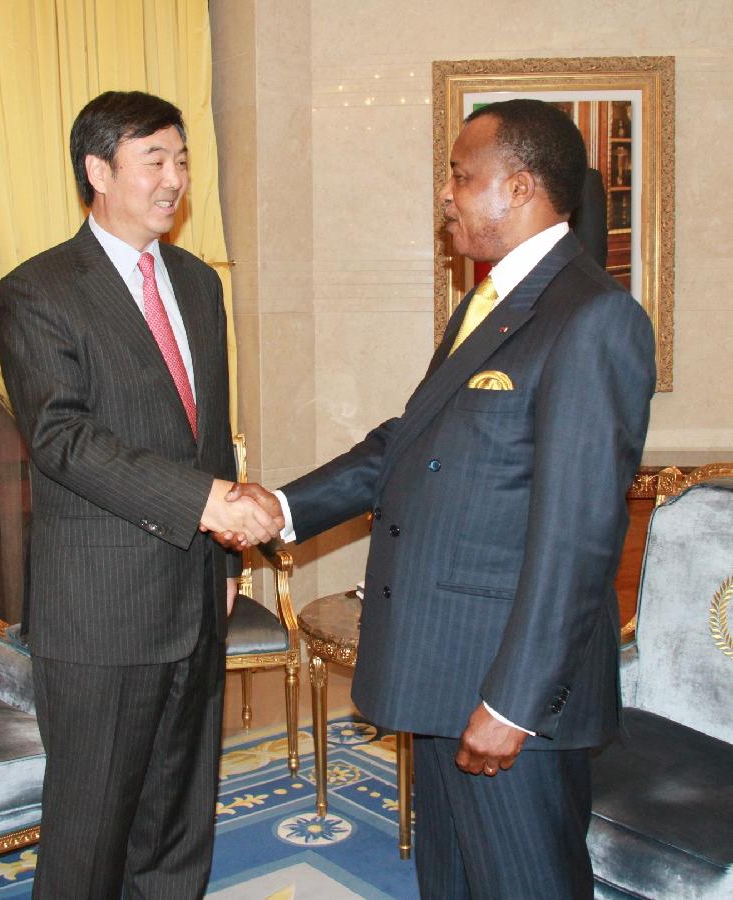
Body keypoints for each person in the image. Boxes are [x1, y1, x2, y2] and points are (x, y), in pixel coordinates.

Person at [224, 99, 656, 898]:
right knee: (454, 884)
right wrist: (282, 507)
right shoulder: (489, 305)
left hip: (505, 693)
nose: (446, 195)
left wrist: (515, 704)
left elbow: (577, 540)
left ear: (519, 187)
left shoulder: (593, 318)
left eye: (461, 176)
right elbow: (408, 443)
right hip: (447, 672)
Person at [0, 90, 283, 899]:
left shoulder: (197, 282)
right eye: (154, 159)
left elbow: (212, 430)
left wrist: (228, 565)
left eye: (182, 159)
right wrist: (207, 502)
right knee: (90, 830)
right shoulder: (39, 290)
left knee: (179, 817)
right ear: (98, 170)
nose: (174, 179)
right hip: (100, 608)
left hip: (196, 590)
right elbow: (61, 437)